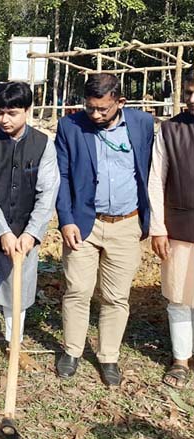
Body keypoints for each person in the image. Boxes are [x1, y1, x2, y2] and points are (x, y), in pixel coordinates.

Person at [55, 73, 154, 387]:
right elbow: (62, 177)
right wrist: (66, 219)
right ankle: (72, 350)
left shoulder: (143, 125)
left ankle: (108, 355)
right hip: (84, 224)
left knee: (116, 296)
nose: (95, 114)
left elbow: (152, 169)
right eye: (90, 107)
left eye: (103, 109)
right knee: (78, 290)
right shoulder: (70, 127)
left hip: (127, 224)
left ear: (120, 102)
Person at [0, 82, 59, 379]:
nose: (5, 120)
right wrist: (2, 232)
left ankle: (14, 346)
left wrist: (31, 233)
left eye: (13, 113)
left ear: (28, 112)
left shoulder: (44, 144)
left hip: (26, 236)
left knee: (16, 293)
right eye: (0, 112)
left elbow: (48, 192)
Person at [148, 68, 194, 389]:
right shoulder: (170, 130)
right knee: (179, 296)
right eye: (189, 92)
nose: (191, 99)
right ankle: (180, 359)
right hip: (178, 226)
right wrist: (158, 228)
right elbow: (155, 180)